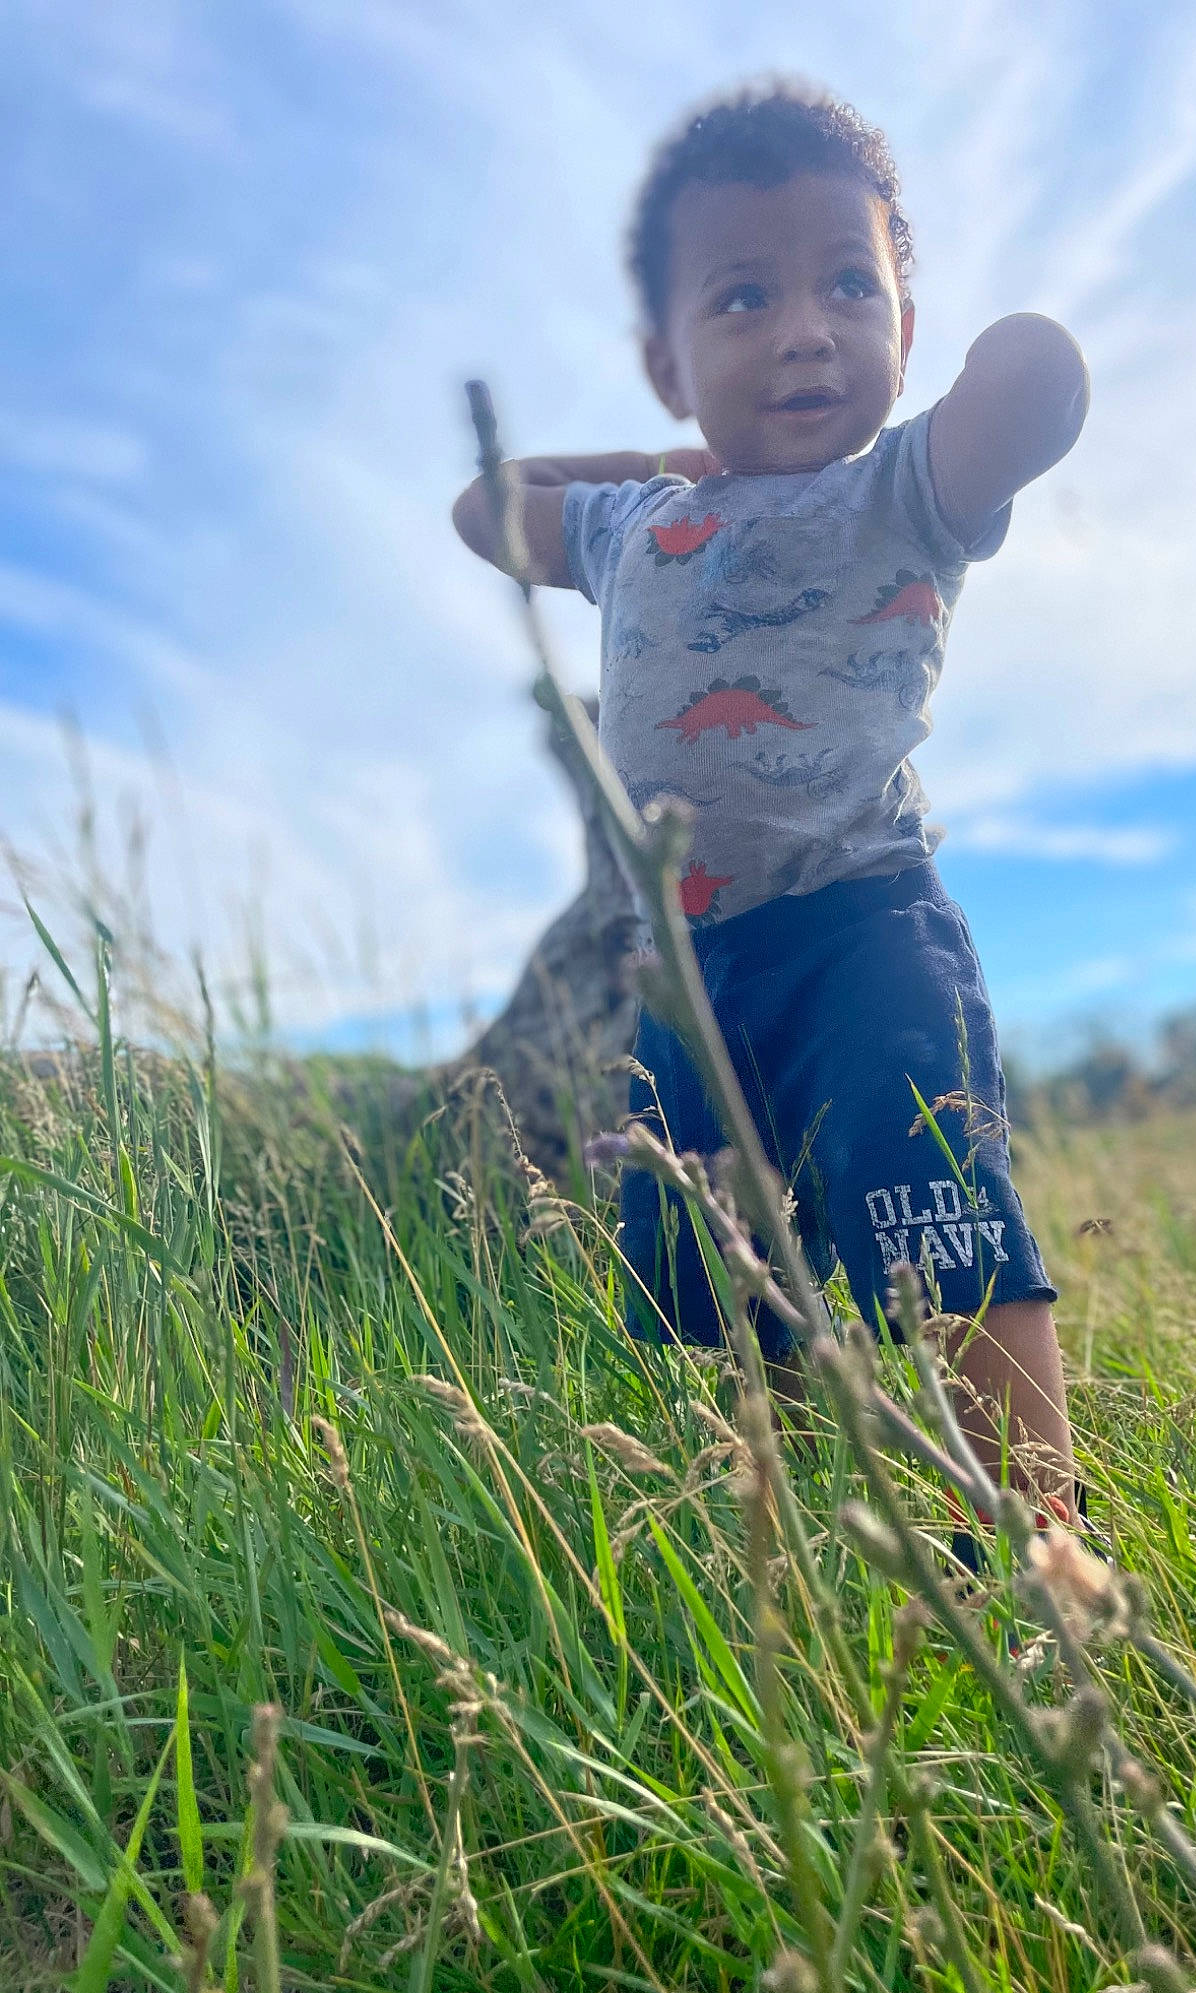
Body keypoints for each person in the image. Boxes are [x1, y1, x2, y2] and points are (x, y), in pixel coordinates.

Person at [454, 84, 1089, 1517]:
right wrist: (662, 462)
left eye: (848, 286)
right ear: (664, 360)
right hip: (681, 971)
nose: (806, 327)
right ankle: (796, 1527)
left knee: (939, 1221)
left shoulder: (909, 489)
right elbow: (484, 505)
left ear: (902, 333)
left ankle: (1047, 1546)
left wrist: (927, 362)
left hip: (860, 930)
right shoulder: (633, 525)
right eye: (743, 297)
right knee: (710, 1272)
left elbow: (1039, 374)